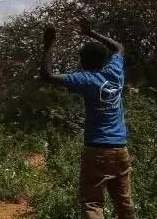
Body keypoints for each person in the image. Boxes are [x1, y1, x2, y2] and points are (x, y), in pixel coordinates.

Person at [39, 22, 134, 219]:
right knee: (124, 202)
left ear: (83, 62)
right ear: (104, 59)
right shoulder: (115, 73)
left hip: (97, 150)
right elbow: (118, 47)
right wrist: (92, 32)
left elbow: (47, 75)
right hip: (121, 149)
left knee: (93, 203)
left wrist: (48, 44)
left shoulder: (86, 80)